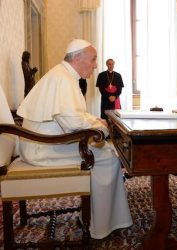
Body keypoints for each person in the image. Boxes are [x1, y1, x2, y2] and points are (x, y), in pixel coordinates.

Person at [17, 39, 132, 239]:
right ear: (77, 57)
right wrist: (100, 126)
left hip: (41, 141)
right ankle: (101, 226)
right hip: (41, 147)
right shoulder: (63, 79)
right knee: (108, 157)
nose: (96, 65)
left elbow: (72, 115)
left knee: (106, 151)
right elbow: (71, 123)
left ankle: (99, 216)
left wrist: (94, 120)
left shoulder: (63, 75)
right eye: (93, 59)